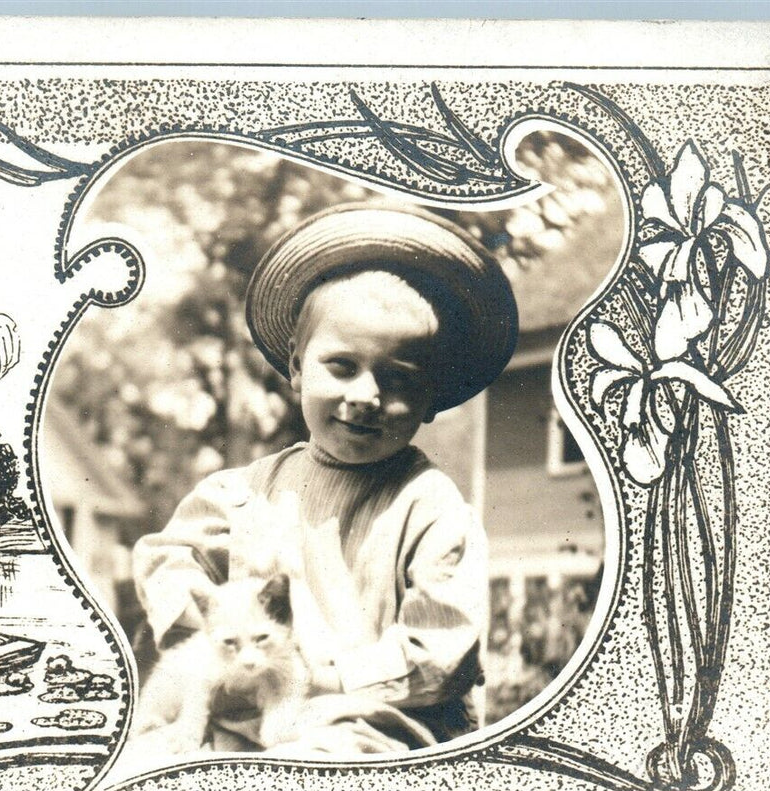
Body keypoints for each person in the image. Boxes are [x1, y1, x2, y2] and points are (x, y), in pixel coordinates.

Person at [132, 203, 518, 755]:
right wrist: (203, 617)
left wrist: (329, 676)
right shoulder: (242, 492)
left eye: (397, 378)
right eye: (342, 366)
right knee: (144, 760)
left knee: (314, 767)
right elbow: (166, 557)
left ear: (430, 398)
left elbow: (441, 649)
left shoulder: (430, 506)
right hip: (251, 707)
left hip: (374, 720)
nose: (365, 395)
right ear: (295, 367)